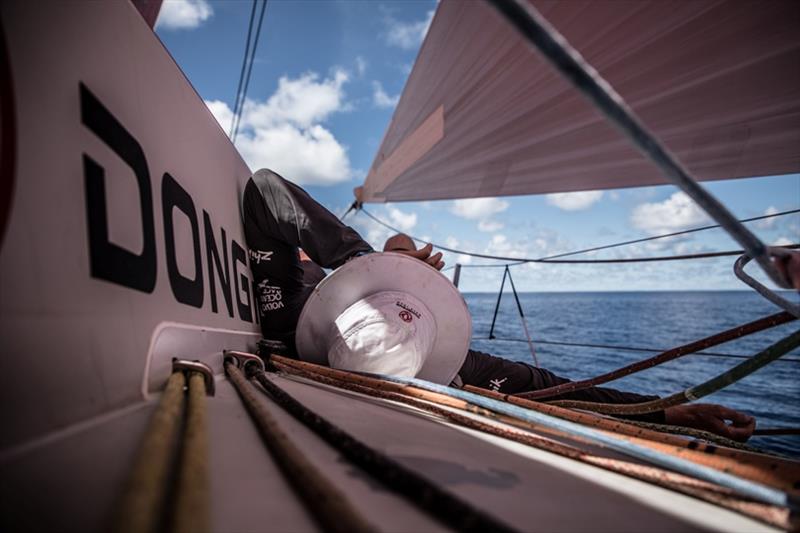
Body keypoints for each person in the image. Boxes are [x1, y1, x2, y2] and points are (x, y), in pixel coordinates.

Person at [242, 168, 756, 442]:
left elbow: (554, 389)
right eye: (402, 259)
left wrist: (668, 412)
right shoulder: (456, 368)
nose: (408, 260)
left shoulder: (291, 319)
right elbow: (264, 191)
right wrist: (370, 265)